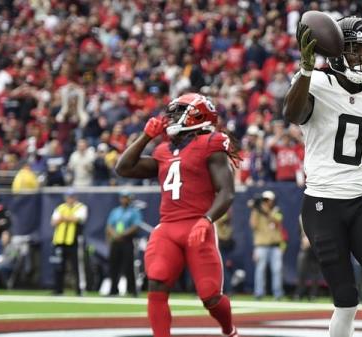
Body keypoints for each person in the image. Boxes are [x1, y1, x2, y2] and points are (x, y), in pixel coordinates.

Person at [283, 16, 362, 337]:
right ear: (336, 50)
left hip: (360, 201)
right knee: (346, 301)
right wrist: (306, 70)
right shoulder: (316, 82)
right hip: (323, 204)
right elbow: (291, 114)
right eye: (355, 50)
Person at [115, 93, 240, 337]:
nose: (169, 117)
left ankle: (229, 331)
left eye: (178, 111)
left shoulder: (211, 143)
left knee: (210, 295)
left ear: (197, 115)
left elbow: (227, 192)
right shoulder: (163, 151)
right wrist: (145, 137)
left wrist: (207, 220)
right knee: (157, 281)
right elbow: (124, 168)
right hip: (167, 228)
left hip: (197, 225)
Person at [51, 189, 88, 296]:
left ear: (75, 197)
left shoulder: (81, 207)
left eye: (72, 197)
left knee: (76, 266)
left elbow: (78, 218)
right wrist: (67, 218)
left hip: (74, 240)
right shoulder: (60, 207)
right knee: (59, 266)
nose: (70, 199)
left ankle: (79, 290)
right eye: (68, 196)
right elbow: (53, 222)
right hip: (60, 240)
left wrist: (63, 218)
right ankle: (58, 290)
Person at [106, 190, 142, 297]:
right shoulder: (115, 211)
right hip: (115, 241)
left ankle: (132, 290)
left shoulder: (134, 212)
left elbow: (136, 226)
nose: (124, 200)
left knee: (129, 266)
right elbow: (109, 225)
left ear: (129, 199)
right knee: (113, 266)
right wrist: (114, 235)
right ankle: (113, 290)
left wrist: (123, 234)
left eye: (126, 197)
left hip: (127, 241)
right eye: (122, 197)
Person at [249, 190, 285, 300]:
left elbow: (278, 221)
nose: (266, 202)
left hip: (275, 246)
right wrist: (256, 209)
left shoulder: (277, 210)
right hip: (261, 245)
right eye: (265, 200)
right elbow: (253, 225)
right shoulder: (257, 211)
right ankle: (259, 293)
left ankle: (278, 294)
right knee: (260, 269)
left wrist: (266, 212)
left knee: (277, 270)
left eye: (268, 200)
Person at [294, 216, 321, 301]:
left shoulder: (317, 215)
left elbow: (319, 229)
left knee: (315, 272)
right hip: (305, 247)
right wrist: (303, 240)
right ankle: (300, 293)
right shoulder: (301, 217)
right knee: (301, 271)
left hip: (315, 246)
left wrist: (312, 240)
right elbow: (299, 231)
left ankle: (314, 294)